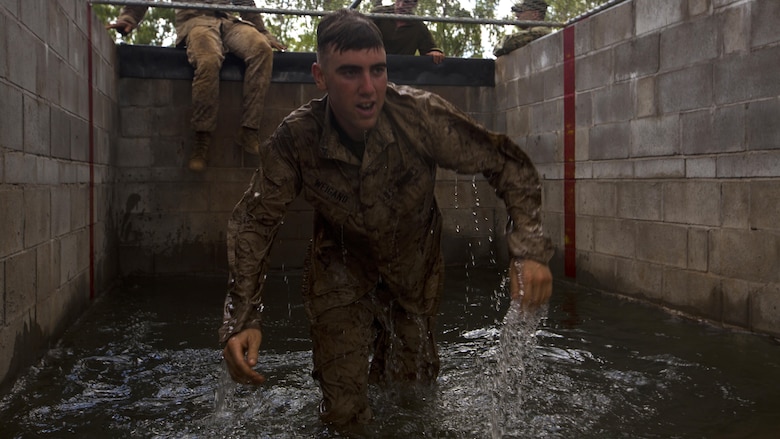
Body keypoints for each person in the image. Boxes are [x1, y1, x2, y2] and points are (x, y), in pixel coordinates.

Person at [220, 8, 553, 429]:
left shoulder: (418, 116)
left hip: (414, 274)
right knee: (343, 414)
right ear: (320, 77)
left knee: (413, 404)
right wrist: (242, 318)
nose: (368, 88)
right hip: (340, 272)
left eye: (378, 71)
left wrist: (529, 250)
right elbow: (255, 221)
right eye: (350, 73)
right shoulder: (297, 138)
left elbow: (507, 164)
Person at [107, 0, 287, 172]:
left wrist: (263, 32)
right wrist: (129, 18)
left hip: (227, 20)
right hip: (195, 21)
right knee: (208, 60)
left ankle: (249, 130)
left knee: (262, 49)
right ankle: (202, 138)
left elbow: (245, 2)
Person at [371, 0, 445, 64]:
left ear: (414, 4)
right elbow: (362, 32)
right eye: (398, 0)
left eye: (406, 2)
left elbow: (430, 49)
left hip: (401, 70)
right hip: (374, 63)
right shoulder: (379, 13)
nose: (400, 6)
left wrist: (435, 53)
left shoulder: (418, 26)